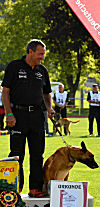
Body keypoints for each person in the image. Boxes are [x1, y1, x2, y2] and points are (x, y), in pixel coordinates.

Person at [1, 39, 54, 197]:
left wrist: (49, 108)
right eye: (40, 54)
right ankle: (14, 190)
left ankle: (35, 189)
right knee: (17, 154)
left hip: (37, 116)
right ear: (30, 52)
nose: (42, 58)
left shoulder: (42, 70)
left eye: (43, 54)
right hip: (18, 115)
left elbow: (46, 93)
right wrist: (9, 113)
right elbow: (5, 92)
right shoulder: (14, 67)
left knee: (37, 154)